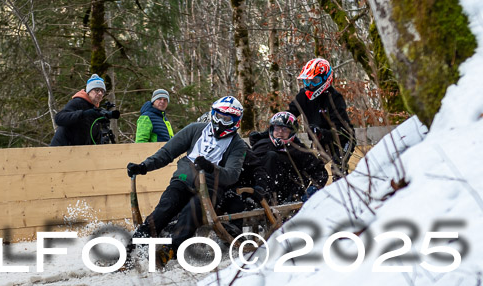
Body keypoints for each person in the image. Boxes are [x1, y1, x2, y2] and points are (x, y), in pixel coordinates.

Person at [126, 96, 248, 265]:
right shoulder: (195, 129)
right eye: (218, 116)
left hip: (211, 188)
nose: (221, 121)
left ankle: (170, 250)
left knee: (191, 211)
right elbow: (167, 152)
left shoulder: (238, 145)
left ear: (235, 121)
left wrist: (212, 168)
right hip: (183, 179)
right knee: (165, 207)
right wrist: (143, 167)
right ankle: (135, 246)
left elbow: (232, 174)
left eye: (226, 119)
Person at [288, 58, 355, 179]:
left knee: (338, 168)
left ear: (326, 80)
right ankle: (310, 195)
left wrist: (321, 132)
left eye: (315, 81)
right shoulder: (303, 96)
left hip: (343, 139)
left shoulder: (335, 98)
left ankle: (345, 191)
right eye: (307, 81)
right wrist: (269, 132)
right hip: (320, 141)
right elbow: (288, 115)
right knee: (313, 169)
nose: (310, 85)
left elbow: (341, 130)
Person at [249, 111, 328, 204]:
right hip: (262, 188)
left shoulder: (299, 149)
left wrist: (313, 189)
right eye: (277, 128)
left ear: (292, 132)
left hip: (289, 192)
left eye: (285, 129)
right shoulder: (262, 144)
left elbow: (320, 172)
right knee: (270, 156)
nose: (280, 132)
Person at [49, 74, 120, 146]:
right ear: (89, 91)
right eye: (97, 90)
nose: (100, 93)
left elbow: (91, 140)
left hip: (78, 152)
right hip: (60, 150)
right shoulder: (78, 102)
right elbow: (59, 118)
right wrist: (84, 114)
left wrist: (102, 141)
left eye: (103, 91)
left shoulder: (95, 112)